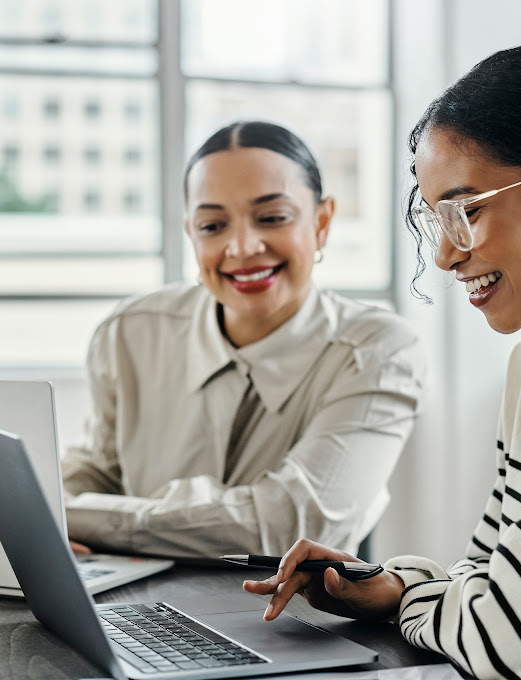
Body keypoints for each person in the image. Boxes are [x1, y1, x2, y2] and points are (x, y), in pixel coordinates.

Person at [244, 43, 521, 679]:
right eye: (434, 217)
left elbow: (507, 635)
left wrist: (413, 597)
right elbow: (487, 576)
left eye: (467, 210)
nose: (444, 255)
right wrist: (392, 588)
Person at [61, 120, 424, 560]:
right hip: (138, 608)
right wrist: (45, 513)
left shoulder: (378, 350)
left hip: (295, 618)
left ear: (322, 222)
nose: (242, 247)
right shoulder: (130, 332)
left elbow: (294, 527)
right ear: (191, 235)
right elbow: (96, 472)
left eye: (272, 218)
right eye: (212, 226)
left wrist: (77, 517)